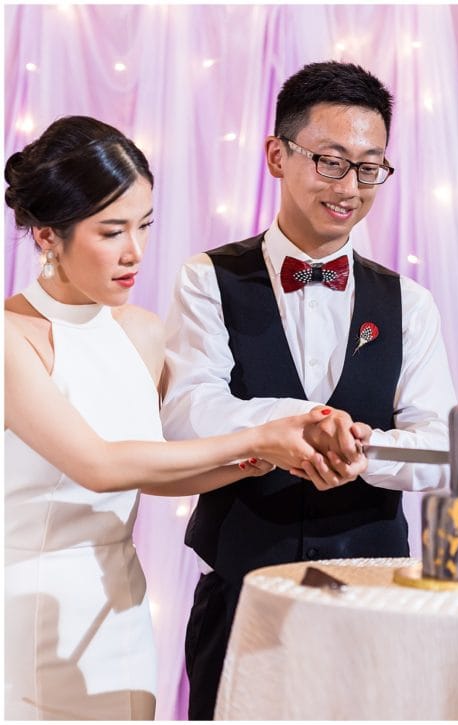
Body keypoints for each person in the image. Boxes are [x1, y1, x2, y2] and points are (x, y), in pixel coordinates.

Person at [159, 61, 458, 719]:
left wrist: (359, 449)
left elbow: (445, 450)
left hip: (376, 600)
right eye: (330, 161)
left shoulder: (411, 302)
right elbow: (185, 415)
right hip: (242, 602)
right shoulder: (207, 278)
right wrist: (297, 425)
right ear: (276, 154)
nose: (350, 186)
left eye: (369, 166)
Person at [3, 116, 327, 720]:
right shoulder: (10, 339)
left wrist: (259, 460)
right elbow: (99, 465)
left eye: (145, 225)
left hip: (119, 602)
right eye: (111, 231)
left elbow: (149, 471)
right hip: (33, 608)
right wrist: (256, 435)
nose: (135, 252)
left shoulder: (143, 332)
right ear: (48, 237)